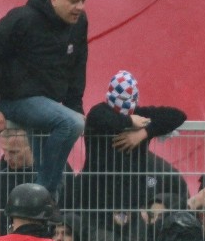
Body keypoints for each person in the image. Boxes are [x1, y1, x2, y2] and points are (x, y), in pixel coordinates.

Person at [0, 0, 88, 200]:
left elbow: (77, 68)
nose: (79, 7)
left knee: (60, 168)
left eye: (83, 0)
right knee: (71, 123)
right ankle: (41, 195)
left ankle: (40, 219)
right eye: (73, 1)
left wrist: (75, 105)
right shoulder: (22, 19)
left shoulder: (79, 23)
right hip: (17, 100)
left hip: (49, 105)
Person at [78, 70, 188, 214]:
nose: (126, 105)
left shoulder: (140, 115)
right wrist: (129, 121)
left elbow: (177, 115)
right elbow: (101, 118)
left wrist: (143, 133)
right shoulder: (100, 112)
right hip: (98, 196)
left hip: (133, 197)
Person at [0, 128, 75, 238]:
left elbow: (70, 211)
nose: (7, 158)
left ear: (32, 147)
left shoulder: (58, 168)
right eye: (4, 151)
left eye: (13, 152)